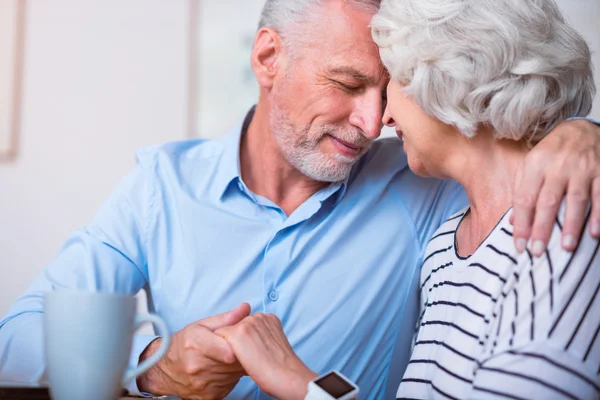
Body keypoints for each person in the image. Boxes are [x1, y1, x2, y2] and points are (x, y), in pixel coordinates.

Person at [1, 0, 600, 399]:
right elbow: (18, 336)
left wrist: (584, 132)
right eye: (346, 85)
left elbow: (499, 139)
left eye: (387, 90)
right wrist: (155, 363)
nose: (371, 122)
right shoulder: (161, 185)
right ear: (268, 58)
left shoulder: (425, 184)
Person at [211, 0, 600, 399]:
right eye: (350, 85)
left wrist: (298, 384)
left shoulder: (562, 223)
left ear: (455, 76)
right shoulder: (445, 246)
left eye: (394, 81)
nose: (380, 119)